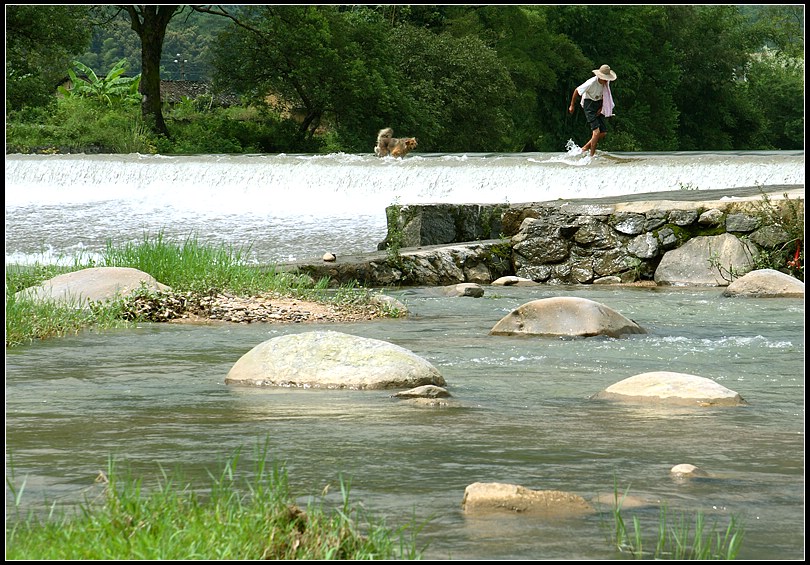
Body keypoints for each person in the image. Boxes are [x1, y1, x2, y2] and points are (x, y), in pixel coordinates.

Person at [568, 64, 617, 156]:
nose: (606, 80)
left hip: (599, 103)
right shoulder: (591, 82)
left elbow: (605, 96)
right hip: (589, 103)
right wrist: (572, 106)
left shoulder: (606, 83)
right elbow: (576, 91)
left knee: (603, 133)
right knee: (596, 132)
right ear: (600, 76)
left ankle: (585, 148)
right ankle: (591, 155)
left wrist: (601, 108)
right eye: (604, 78)